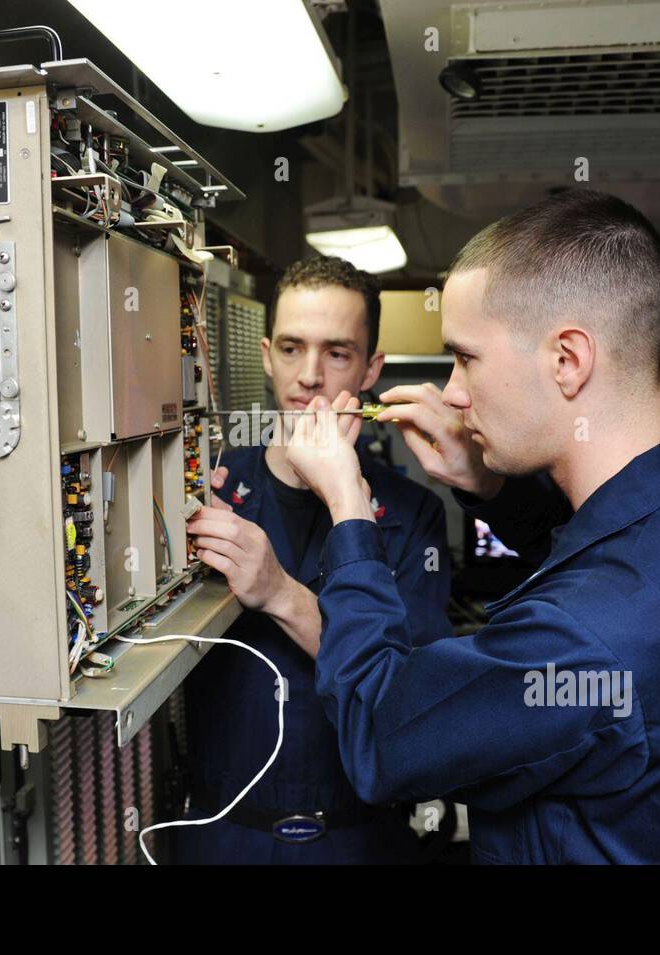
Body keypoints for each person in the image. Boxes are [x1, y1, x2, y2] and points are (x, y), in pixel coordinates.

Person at [283, 190, 660, 864]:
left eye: (467, 357)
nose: (453, 391)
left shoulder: (583, 639)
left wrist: (348, 505)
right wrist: (487, 484)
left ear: (567, 360)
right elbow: (602, 552)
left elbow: (380, 735)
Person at [173, 256, 451, 864]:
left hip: (359, 836)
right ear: (267, 355)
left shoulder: (411, 515)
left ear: (372, 368)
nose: (309, 376)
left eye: (338, 353)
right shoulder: (211, 491)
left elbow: (411, 697)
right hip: (221, 831)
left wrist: (279, 591)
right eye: (293, 349)